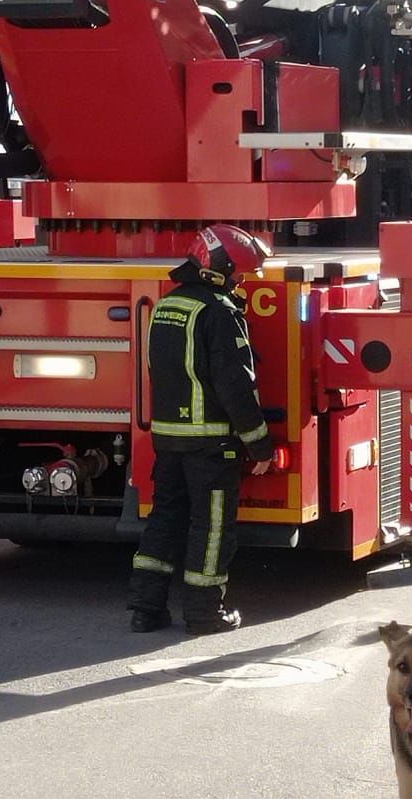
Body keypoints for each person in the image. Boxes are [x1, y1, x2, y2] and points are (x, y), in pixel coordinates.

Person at [128, 224, 276, 635]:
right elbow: (235, 386)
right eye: (238, 274)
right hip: (211, 443)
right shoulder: (220, 313)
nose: (241, 281)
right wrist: (260, 444)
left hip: (169, 437)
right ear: (220, 269)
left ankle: (145, 608)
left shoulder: (168, 305)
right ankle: (205, 612)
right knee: (211, 528)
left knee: (165, 519)